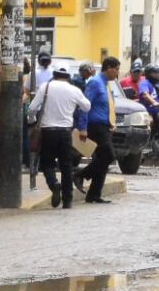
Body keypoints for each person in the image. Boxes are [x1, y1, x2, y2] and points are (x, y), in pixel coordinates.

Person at [29, 65, 91, 209]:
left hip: (48, 131)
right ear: (68, 77)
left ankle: (53, 184)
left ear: (54, 75)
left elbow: (32, 108)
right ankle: (67, 200)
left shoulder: (46, 87)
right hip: (65, 132)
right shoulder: (74, 90)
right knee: (66, 166)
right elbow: (87, 106)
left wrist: (32, 120)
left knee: (47, 163)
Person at [79, 55, 121, 204]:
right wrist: (82, 128)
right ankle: (80, 175)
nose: (117, 73)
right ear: (108, 68)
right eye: (116, 69)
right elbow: (85, 106)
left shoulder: (106, 84)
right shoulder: (95, 83)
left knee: (102, 161)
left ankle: (94, 194)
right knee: (108, 156)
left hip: (104, 125)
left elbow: (106, 105)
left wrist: (111, 123)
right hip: (95, 126)